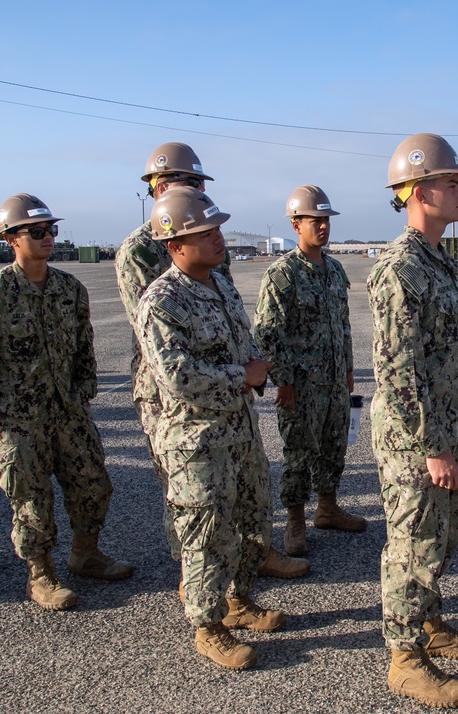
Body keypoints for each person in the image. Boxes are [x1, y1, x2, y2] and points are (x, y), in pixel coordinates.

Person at [116, 141, 307, 581]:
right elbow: (161, 340)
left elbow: (225, 310)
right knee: (191, 491)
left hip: (228, 386)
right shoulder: (143, 251)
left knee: (244, 483)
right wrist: (238, 375)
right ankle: (195, 575)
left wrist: (248, 366)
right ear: (162, 186)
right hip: (171, 393)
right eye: (194, 183)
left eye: (202, 184)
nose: (202, 192)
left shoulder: (205, 239)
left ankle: (250, 560)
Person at [0, 194, 133, 610]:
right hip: (18, 420)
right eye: (36, 231)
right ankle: (40, 574)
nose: (48, 237)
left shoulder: (70, 288)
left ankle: (86, 554)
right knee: (31, 500)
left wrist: (84, 389)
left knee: (94, 485)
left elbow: (84, 347)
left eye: (51, 229)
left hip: (68, 412)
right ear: (10, 239)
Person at [136, 186, 283, 670]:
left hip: (239, 432)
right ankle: (207, 625)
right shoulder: (162, 300)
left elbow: (241, 343)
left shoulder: (219, 285)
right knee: (205, 531)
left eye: (217, 228)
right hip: (195, 442)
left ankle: (238, 601)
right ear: (175, 245)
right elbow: (177, 376)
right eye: (206, 232)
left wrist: (256, 363)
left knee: (252, 518)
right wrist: (245, 376)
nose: (219, 237)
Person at [368, 133, 458, 709]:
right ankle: (405, 658)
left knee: (442, 536)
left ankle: (431, 622)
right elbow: (398, 370)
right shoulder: (400, 268)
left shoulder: (437, 260)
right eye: (451, 182)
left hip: (441, 431)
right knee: (412, 544)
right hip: (413, 440)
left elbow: (445, 356)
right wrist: (431, 446)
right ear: (417, 191)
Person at [254, 185, 364, 559]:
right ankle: (295, 519)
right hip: (300, 384)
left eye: (326, 220)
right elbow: (267, 332)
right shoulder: (282, 274)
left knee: (334, 446)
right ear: (295, 224)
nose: (322, 226)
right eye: (314, 220)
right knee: (299, 451)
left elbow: (343, 324)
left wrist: (347, 368)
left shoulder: (333, 269)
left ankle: (328, 508)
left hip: (333, 380)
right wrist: (282, 380)